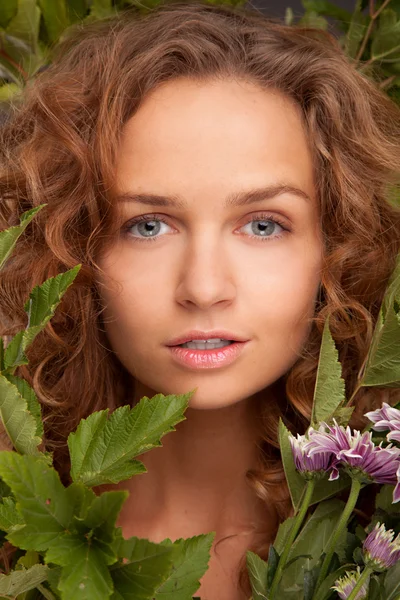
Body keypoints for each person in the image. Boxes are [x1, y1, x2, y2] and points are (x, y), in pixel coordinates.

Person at [1, 1, 400, 598]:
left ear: (339, 246)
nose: (204, 288)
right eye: (148, 226)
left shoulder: (379, 541)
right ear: (75, 252)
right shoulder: (16, 527)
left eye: (263, 225)